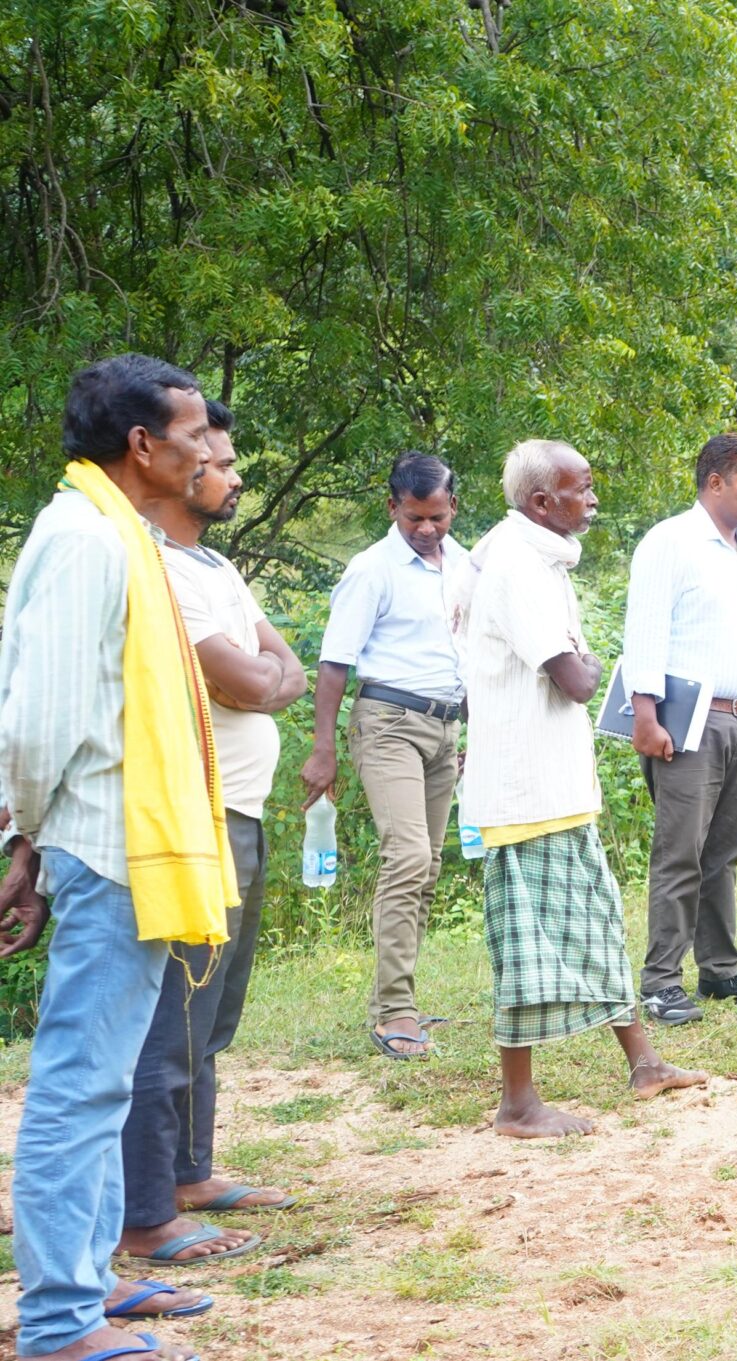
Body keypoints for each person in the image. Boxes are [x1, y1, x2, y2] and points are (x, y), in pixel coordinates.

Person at [2, 353, 233, 1361]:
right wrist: (23, 836)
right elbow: (40, 721)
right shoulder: (85, 539)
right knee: (79, 1083)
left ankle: (88, 1278)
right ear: (141, 445)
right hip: (104, 844)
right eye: (191, 436)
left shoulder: (118, 533)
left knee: (101, 1081)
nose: (205, 453)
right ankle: (58, 1318)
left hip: (122, 844)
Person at [456, 439, 704, 1136]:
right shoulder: (517, 565)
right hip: (524, 792)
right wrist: (589, 662)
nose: (593, 499)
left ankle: (645, 1064)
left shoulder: (536, 558)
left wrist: (586, 661)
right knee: (527, 946)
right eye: (582, 487)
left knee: (596, 920)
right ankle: (517, 1103)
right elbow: (577, 679)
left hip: (553, 784)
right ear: (542, 502)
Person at [118, 399, 307, 1276]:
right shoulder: (156, 566)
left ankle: (191, 1171)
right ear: (177, 467)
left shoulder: (218, 566)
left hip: (243, 806)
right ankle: (148, 1203)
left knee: (212, 1007)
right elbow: (249, 679)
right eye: (219, 461)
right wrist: (260, 679)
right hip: (196, 811)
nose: (230, 475)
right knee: (176, 1009)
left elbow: (283, 671)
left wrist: (261, 679)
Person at [307, 451, 470, 1061]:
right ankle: (394, 1011)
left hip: (445, 726)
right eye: (413, 517)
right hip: (388, 723)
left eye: (436, 517)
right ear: (392, 507)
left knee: (428, 866)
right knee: (407, 856)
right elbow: (334, 663)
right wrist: (323, 749)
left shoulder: (464, 565)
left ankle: (397, 1001)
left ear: (453, 507)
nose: (426, 529)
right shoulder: (371, 569)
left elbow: (469, 651)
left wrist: (471, 733)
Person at [625, 433, 737, 1025]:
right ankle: (662, 981)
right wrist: (645, 716)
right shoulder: (670, 542)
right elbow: (645, 630)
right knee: (680, 852)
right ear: (715, 482)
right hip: (690, 720)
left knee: (725, 851)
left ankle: (719, 969)